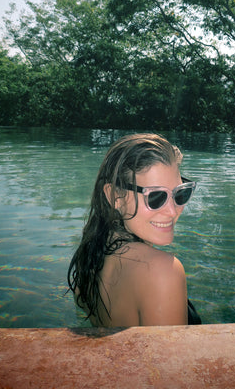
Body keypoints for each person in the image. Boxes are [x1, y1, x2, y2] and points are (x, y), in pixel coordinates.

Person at [67, 132, 201, 327]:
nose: (173, 211)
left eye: (181, 193)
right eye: (156, 197)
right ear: (115, 197)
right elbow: (169, 358)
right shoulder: (162, 271)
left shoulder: (89, 259)